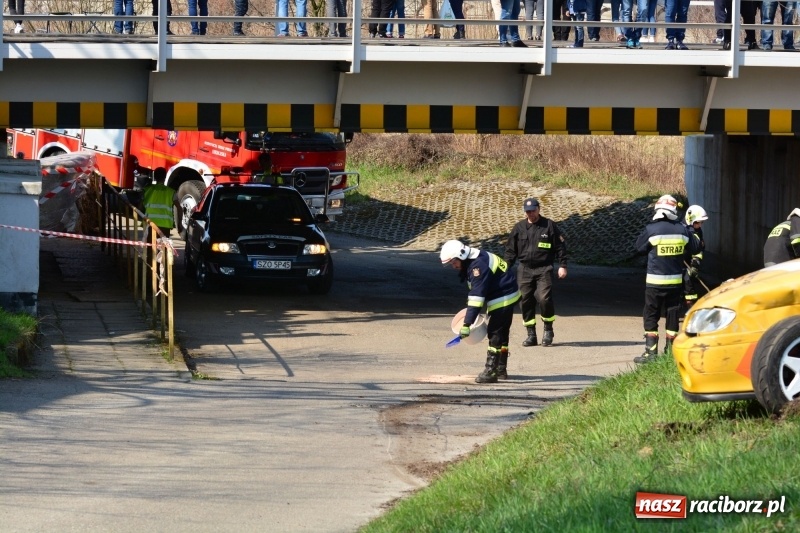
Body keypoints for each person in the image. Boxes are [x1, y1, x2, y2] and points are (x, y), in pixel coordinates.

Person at [440, 240, 521, 384]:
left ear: (461, 256)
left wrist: (467, 324)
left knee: (495, 331)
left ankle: (491, 371)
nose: (453, 266)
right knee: (502, 331)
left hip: (503, 296)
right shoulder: (475, 258)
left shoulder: (477, 267)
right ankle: (501, 368)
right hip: (507, 292)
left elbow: (477, 298)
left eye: (453, 262)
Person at [633, 194, 701, 363]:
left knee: (651, 315)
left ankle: (651, 353)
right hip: (676, 283)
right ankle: (670, 353)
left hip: (654, 283)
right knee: (672, 315)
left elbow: (638, 248)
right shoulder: (682, 230)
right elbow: (696, 247)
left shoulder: (652, 229)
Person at [504, 198, 568, 348]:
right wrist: (505, 267)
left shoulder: (549, 226)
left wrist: (562, 265)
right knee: (525, 300)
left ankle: (548, 330)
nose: (530, 214)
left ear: (539, 209)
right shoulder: (519, 228)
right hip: (524, 269)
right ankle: (531, 334)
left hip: (544, 269)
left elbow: (560, 247)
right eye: (528, 211)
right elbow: (510, 251)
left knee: (544, 298)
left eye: (533, 210)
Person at [682, 205, 708, 311]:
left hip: (689, 263)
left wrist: (695, 263)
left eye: (701, 222)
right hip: (680, 263)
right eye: (698, 222)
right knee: (682, 285)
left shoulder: (698, 231)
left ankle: (691, 309)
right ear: (691, 220)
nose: (700, 225)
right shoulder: (682, 230)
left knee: (690, 285)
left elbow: (699, 249)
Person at [143, 168, 179, 238]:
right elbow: (179, 207)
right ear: (165, 177)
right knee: (164, 247)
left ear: (154, 177)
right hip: (165, 225)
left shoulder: (147, 190)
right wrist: (179, 223)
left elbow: (140, 206)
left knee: (151, 247)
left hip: (150, 223)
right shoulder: (171, 192)